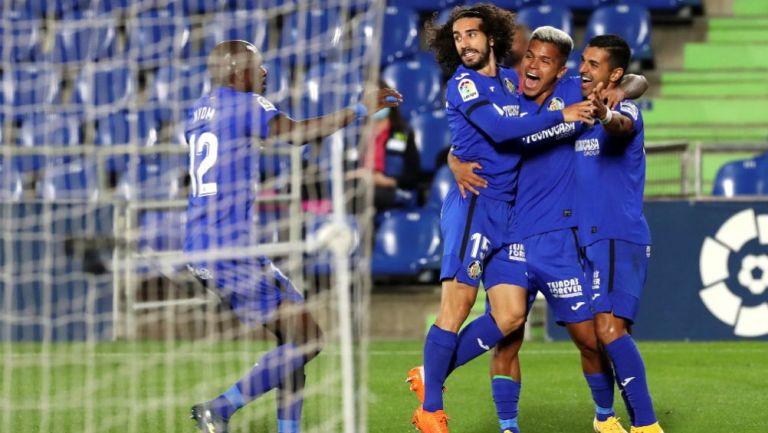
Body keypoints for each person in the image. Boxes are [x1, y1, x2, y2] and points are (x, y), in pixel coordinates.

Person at [435, 26, 648, 433]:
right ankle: (507, 424)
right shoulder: (504, 93)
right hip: (508, 237)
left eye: (544, 60)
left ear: (560, 71)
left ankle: (605, 417)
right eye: (528, 56)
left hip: (558, 236)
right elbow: (472, 133)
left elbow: (632, 80)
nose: (532, 65)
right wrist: (452, 159)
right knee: (507, 335)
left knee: (589, 337)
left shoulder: (572, 91)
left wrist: (624, 89)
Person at [184, 40, 401, 433]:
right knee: (308, 341)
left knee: (295, 342)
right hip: (229, 250)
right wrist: (359, 109)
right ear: (236, 71)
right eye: (258, 65)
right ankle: (220, 408)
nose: (265, 72)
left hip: (206, 246)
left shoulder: (196, 112)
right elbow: (298, 134)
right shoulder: (246, 105)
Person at [408, 6, 595, 433]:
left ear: (492, 37)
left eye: (471, 34)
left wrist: (613, 93)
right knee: (456, 307)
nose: (464, 44)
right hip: (475, 204)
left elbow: (602, 84)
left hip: (508, 215)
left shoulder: (510, 82)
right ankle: (430, 410)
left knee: (510, 317)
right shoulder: (464, 84)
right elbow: (504, 132)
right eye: (457, 38)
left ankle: (430, 374)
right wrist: (563, 116)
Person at [576, 34, 664, 433]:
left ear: (613, 73)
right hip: (588, 237)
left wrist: (607, 113)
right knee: (598, 337)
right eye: (583, 61)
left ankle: (646, 425)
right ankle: (605, 420)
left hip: (617, 233)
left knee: (610, 329)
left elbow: (621, 126)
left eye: (593, 64)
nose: (583, 69)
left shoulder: (625, 108)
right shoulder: (578, 105)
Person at [367, 80, 421, 212]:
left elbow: (413, 175)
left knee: (367, 195)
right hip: (365, 187)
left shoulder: (403, 133)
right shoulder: (358, 133)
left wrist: (387, 181)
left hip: (396, 191)